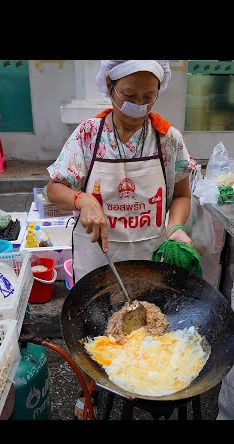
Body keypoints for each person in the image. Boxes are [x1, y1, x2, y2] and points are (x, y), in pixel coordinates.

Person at [46, 60, 197, 419]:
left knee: (146, 337)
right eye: (129, 95)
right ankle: (91, 395)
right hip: (99, 260)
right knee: (94, 338)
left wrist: (175, 227)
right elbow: (55, 189)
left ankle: (150, 381)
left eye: (148, 96)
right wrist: (82, 200)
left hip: (148, 257)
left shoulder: (168, 138)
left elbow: (182, 195)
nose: (139, 105)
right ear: (109, 87)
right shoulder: (87, 135)